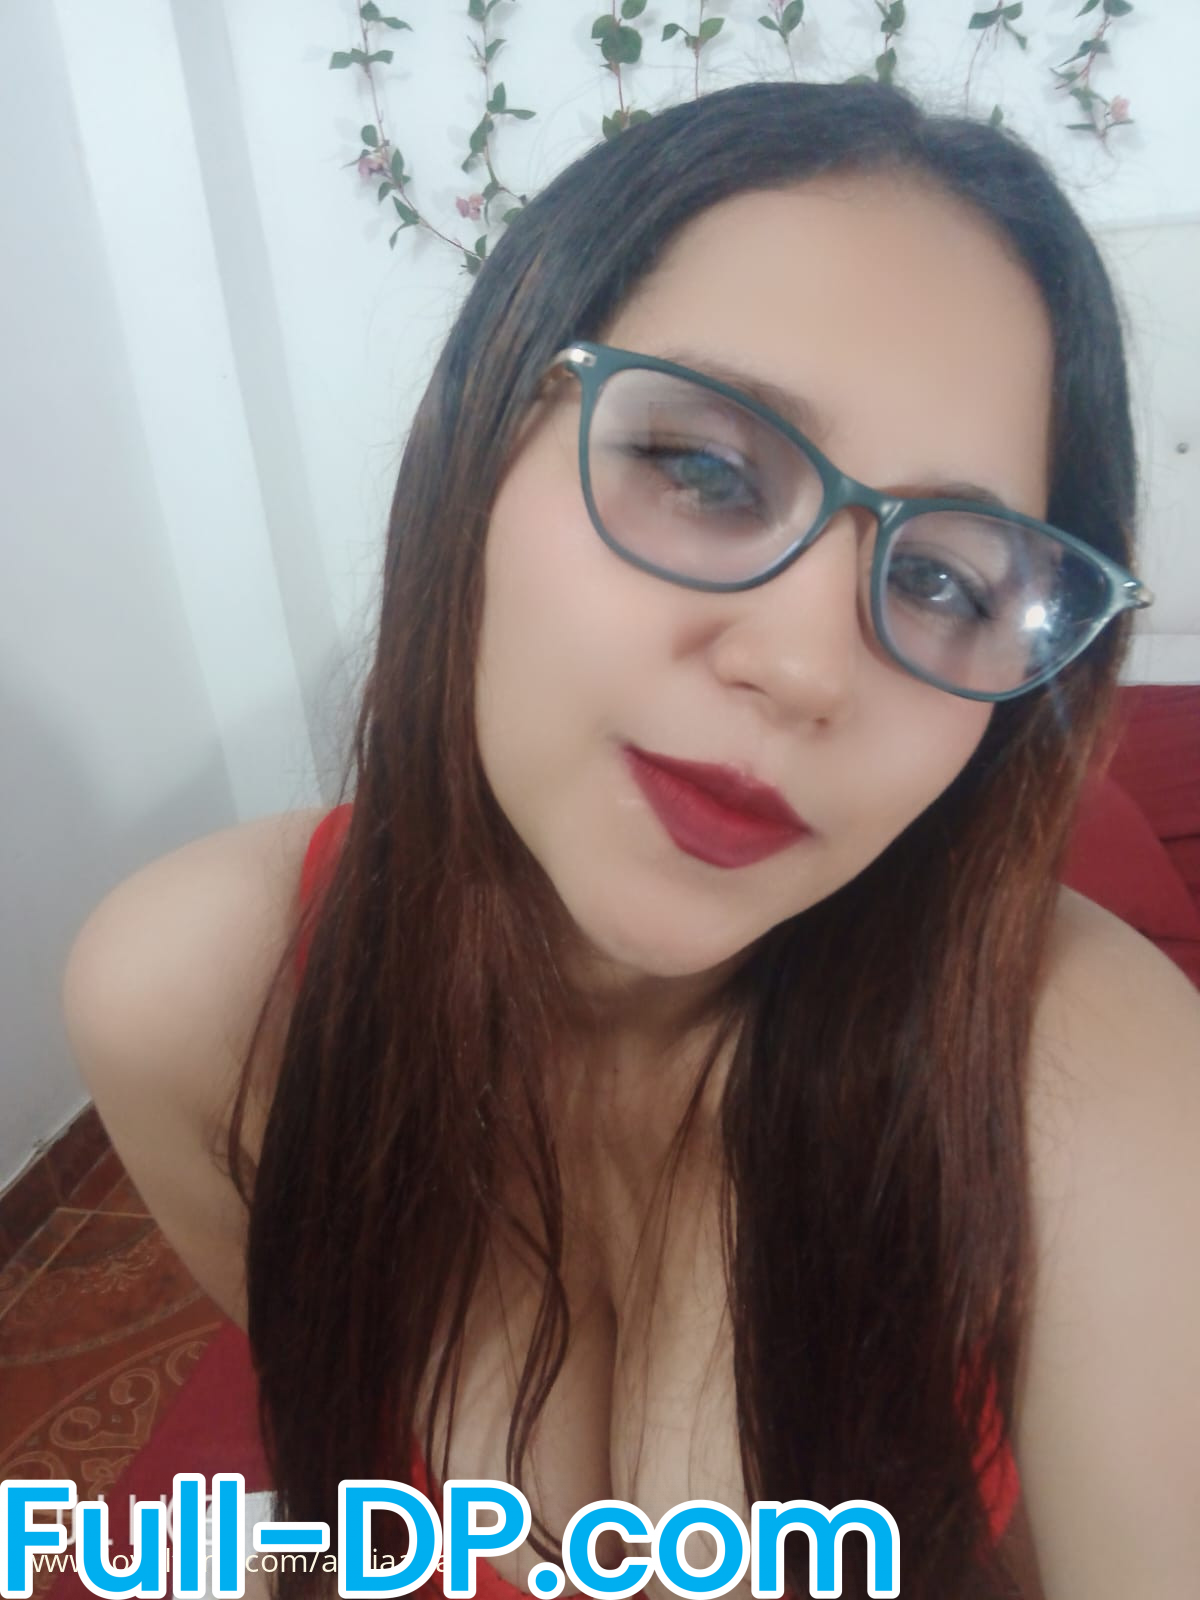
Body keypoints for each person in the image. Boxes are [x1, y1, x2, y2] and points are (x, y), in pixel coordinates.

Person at [61, 80, 1200, 1600]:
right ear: (482, 443)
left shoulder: (1094, 1097)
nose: (804, 667)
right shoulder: (194, 994)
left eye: (945, 582)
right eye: (706, 472)